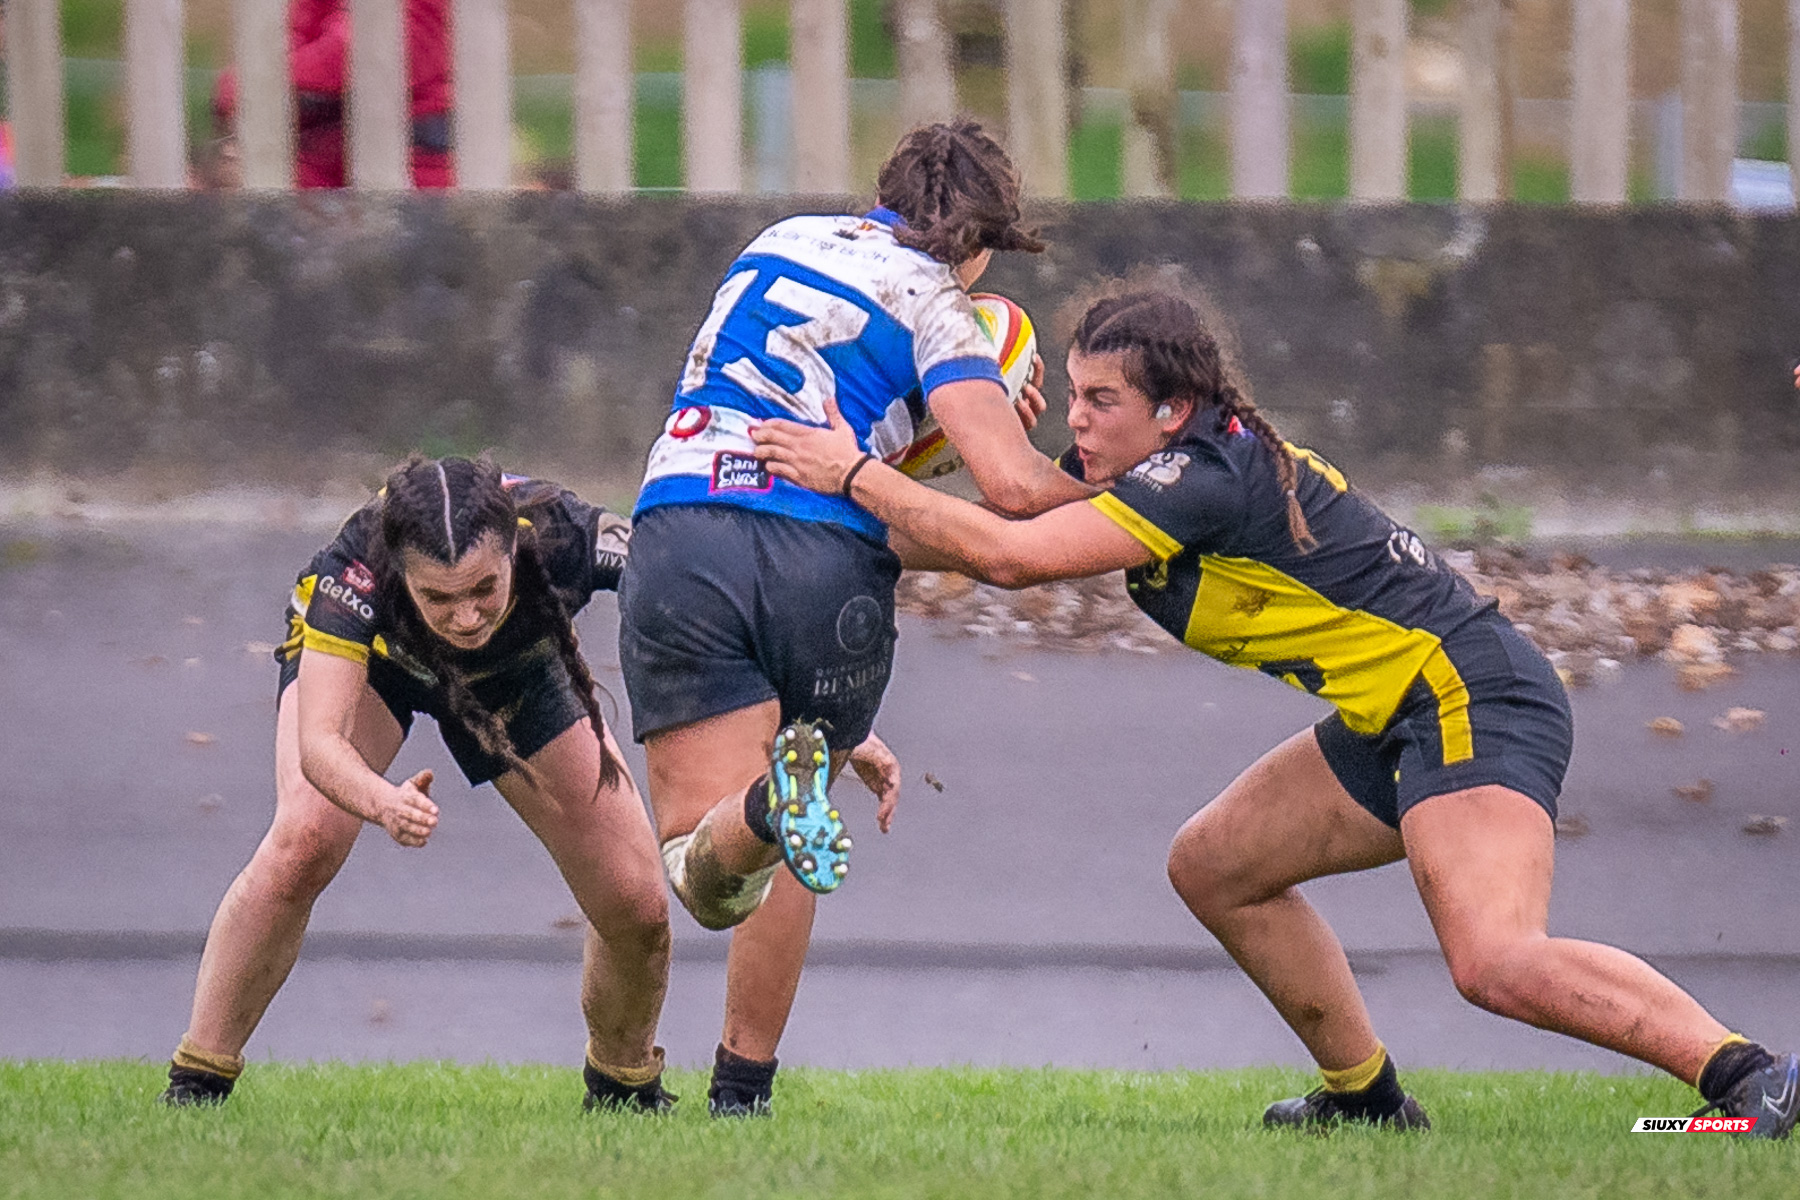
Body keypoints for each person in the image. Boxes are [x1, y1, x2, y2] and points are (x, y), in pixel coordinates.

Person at [751, 289, 1800, 1137]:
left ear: (1172, 410)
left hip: (1468, 696)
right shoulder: (1159, 461)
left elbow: (1014, 554)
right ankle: (1367, 1099)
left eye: (1100, 399)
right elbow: (1001, 518)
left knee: (1494, 960)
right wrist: (838, 518)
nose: (1076, 420)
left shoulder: (1202, 475)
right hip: (1393, 713)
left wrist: (852, 475)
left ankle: (1757, 1081)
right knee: (1216, 864)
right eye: (1070, 394)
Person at [620, 118, 1092, 1116]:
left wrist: (924, 429)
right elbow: (1010, 491)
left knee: (699, 872)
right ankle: (741, 1092)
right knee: (780, 837)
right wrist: (1084, 471)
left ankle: (763, 807)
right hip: (823, 564)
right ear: (978, 244)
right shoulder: (939, 304)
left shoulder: (776, 241)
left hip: (683, 529)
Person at [161, 456, 673, 1112]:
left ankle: (624, 1092)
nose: (465, 616)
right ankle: (196, 1089)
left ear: (515, 550)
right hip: (377, 665)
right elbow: (321, 744)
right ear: (400, 570)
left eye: (484, 588)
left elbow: (689, 578)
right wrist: (382, 800)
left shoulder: (566, 532)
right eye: (439, 596)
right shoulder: (355, 569)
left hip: (510, 673)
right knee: (306, 838)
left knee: (635, 903)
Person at [211, 0, 453, 189]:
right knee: (231, 179)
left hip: (417, 169)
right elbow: (290, 34)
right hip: (332, 155)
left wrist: (257, 83)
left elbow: (353, 57)